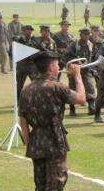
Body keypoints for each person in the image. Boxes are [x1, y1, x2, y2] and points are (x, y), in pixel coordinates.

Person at [19, 51, 86, 191]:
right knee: (56, 184)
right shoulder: (56, 86)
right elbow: (81, 99)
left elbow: (23, 120)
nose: (59, 67)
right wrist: (78, 76)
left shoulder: (26, 89)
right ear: (50, 68)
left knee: (40, 185)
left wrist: (28, 143)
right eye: (56, 65)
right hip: (54, 140)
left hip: (35, 141)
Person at [64, 28, 97, 116]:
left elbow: (92, 56)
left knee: (90, 86)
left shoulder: (90, 44)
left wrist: (91, 66)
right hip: (74, 69)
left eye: (88, 34)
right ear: (80, 35)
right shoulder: (74, 44)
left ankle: (91, 107)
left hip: (86, 69)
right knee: (72, 88)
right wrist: (75, 61)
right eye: (85, 34)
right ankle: (72, 108)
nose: (87, 36)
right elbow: (66, 56)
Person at [14, 25, 40, 99]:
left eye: (30, 30)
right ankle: (18, 101)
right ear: (23, 31)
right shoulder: (18, 40)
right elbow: (12, 51)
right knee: (19, 85)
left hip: (32, 66)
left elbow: (39, 49)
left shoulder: (35, 40)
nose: (29, 31)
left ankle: (36, 99)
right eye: (27, 30)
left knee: (36, 84)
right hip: (21, 66)